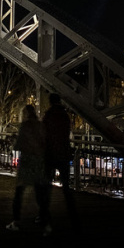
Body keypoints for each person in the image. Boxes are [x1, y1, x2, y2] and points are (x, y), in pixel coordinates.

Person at [6, 104, 48, 232]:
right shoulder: (41, 125)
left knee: (19, 192)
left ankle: (16, 221)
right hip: (38, 162)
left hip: (27, 162)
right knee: (39, 191)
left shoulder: (25, 126)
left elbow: (18, 145)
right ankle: (43, 216)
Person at [41, 93, 79, 232]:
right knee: (66, 187)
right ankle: (73, 215)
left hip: (51, 155)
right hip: (63, 154)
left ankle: (45, 216)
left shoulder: (48, 116)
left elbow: (44, 134)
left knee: (47, 187)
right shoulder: (65, 116)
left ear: (50, 102)